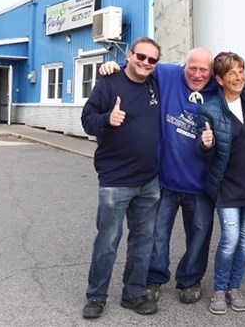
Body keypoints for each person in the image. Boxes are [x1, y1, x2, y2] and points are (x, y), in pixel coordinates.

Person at [100, 48, 218, 307]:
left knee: (199, 235)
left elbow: (242, 85)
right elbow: (140, 66)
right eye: (192, 68)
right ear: (183, 66)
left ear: (212, 72)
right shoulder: (168, 74)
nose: (197, 75)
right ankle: (153, 278)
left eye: (204, 70)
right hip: (164, 180)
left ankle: (190, 280)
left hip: (201, 184)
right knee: (156, 235)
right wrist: (115, 65)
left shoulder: (217, 89)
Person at [80, 37, 162, 319]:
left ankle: (134, 293)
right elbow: (87, 120)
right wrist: (107, 120)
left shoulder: (155, 84)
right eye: (141, 56)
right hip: (115, 181)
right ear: (129, 55)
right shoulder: (109, 83)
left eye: (152, 60)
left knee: (143, 240)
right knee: (107, 241)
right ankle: (96, 296)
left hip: (149, 180)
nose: (146, 63)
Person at [196, 52, 245, 315]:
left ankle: (234, 288)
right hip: (227, 186)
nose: (238, 77)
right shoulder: (210, 109)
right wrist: (206, 145)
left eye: (241, 71)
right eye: (231, 73)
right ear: (220, 79)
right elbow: (203, 152)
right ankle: (219, 289)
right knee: (230, 239)